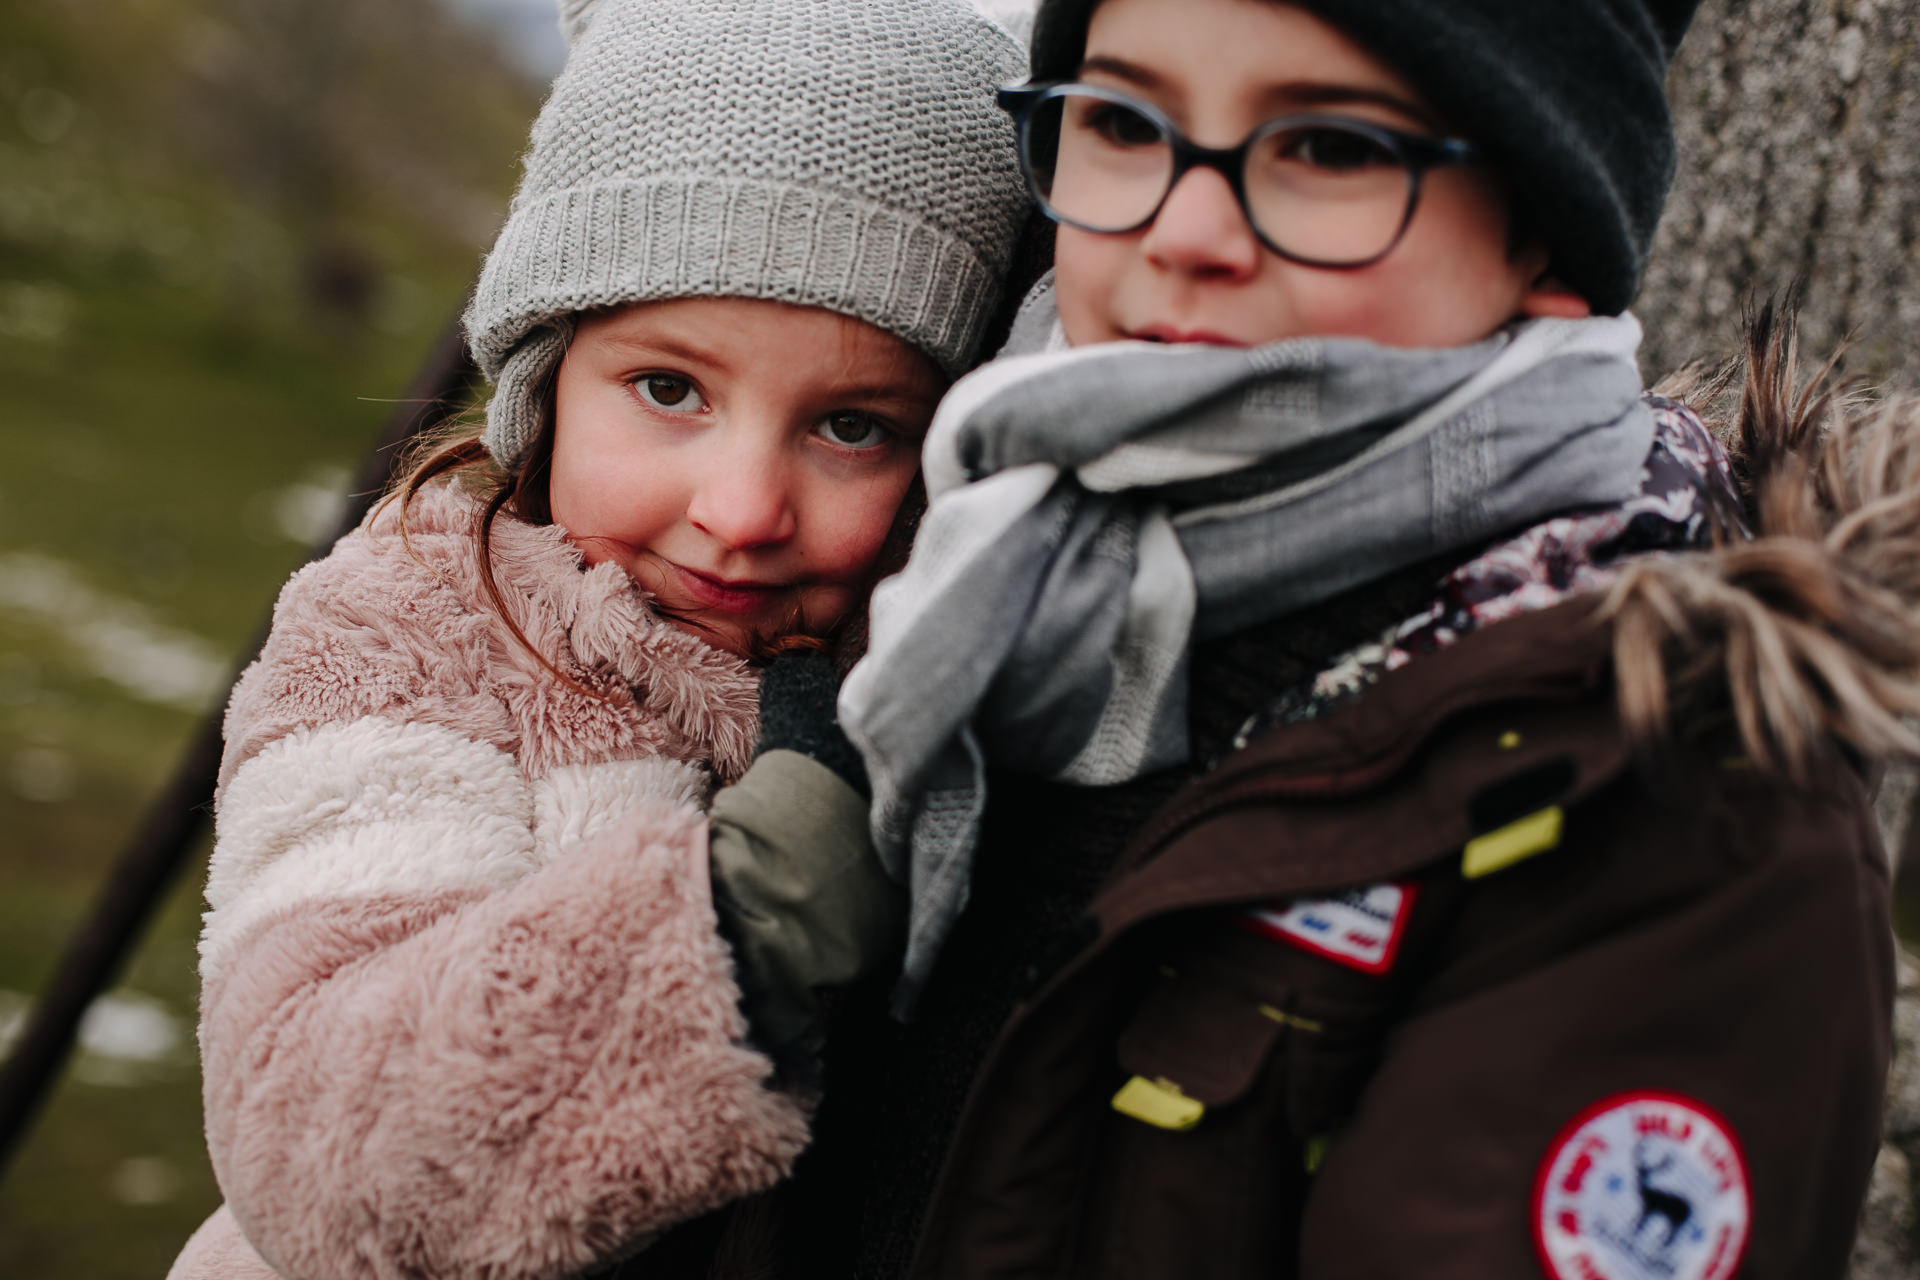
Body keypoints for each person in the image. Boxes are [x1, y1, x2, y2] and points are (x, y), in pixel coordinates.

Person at [756, 0, 1920, 1277]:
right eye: (1123, 123)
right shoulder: (949, 546)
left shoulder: (1674, 818)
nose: (1183, 229)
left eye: (1330, 149)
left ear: (1547, 225)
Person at [164, 1, 1030, 1277]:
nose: (740, 513)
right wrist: (749, 921)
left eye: (853, 425)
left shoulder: (931, 663)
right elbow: (320, 1146)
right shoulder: (408, 640)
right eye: (670, 389)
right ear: (546, 378)